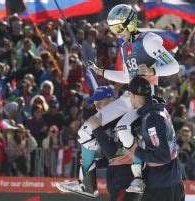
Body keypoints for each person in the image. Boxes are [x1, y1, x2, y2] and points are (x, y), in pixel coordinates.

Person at [77, 4, 179, 193]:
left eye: (118, 28)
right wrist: (101, 71)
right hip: (128, 96)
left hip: (143, 98)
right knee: (85, 129)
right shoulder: (125, 46)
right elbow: (126, 77)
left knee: (124, 130)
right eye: (113, 29)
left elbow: (174, 66)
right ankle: (86, 184)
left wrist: (152, 70)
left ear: (130, 23)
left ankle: (138, 179)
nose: (116, 33)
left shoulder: (148, 40)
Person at [122, 76, 184, 201]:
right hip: (173, 182)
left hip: (161, 187)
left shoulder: (152, 118)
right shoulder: (159, 109)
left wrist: (136, 151)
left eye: (129, 95)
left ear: (133, 95)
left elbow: (163, 156)